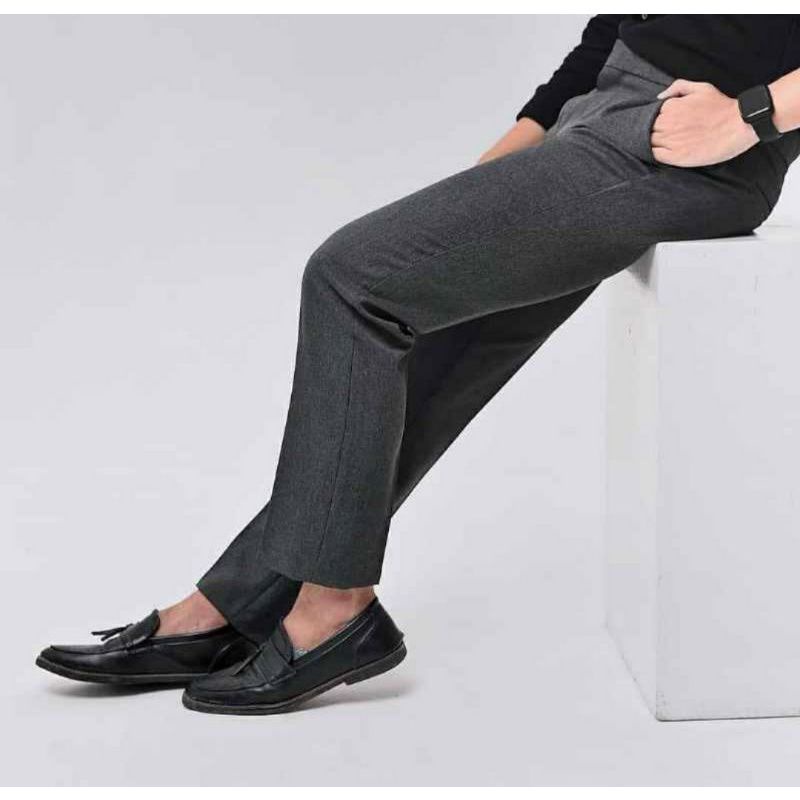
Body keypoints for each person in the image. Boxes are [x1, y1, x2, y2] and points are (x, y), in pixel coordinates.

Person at [37, 15, 800, 715]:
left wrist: (750, 117)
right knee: (431, 346)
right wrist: (502, 169)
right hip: (599, 115)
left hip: (691, 139)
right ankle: (236, 605)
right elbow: (621, 25)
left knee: (350, 279)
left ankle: (334, 610)